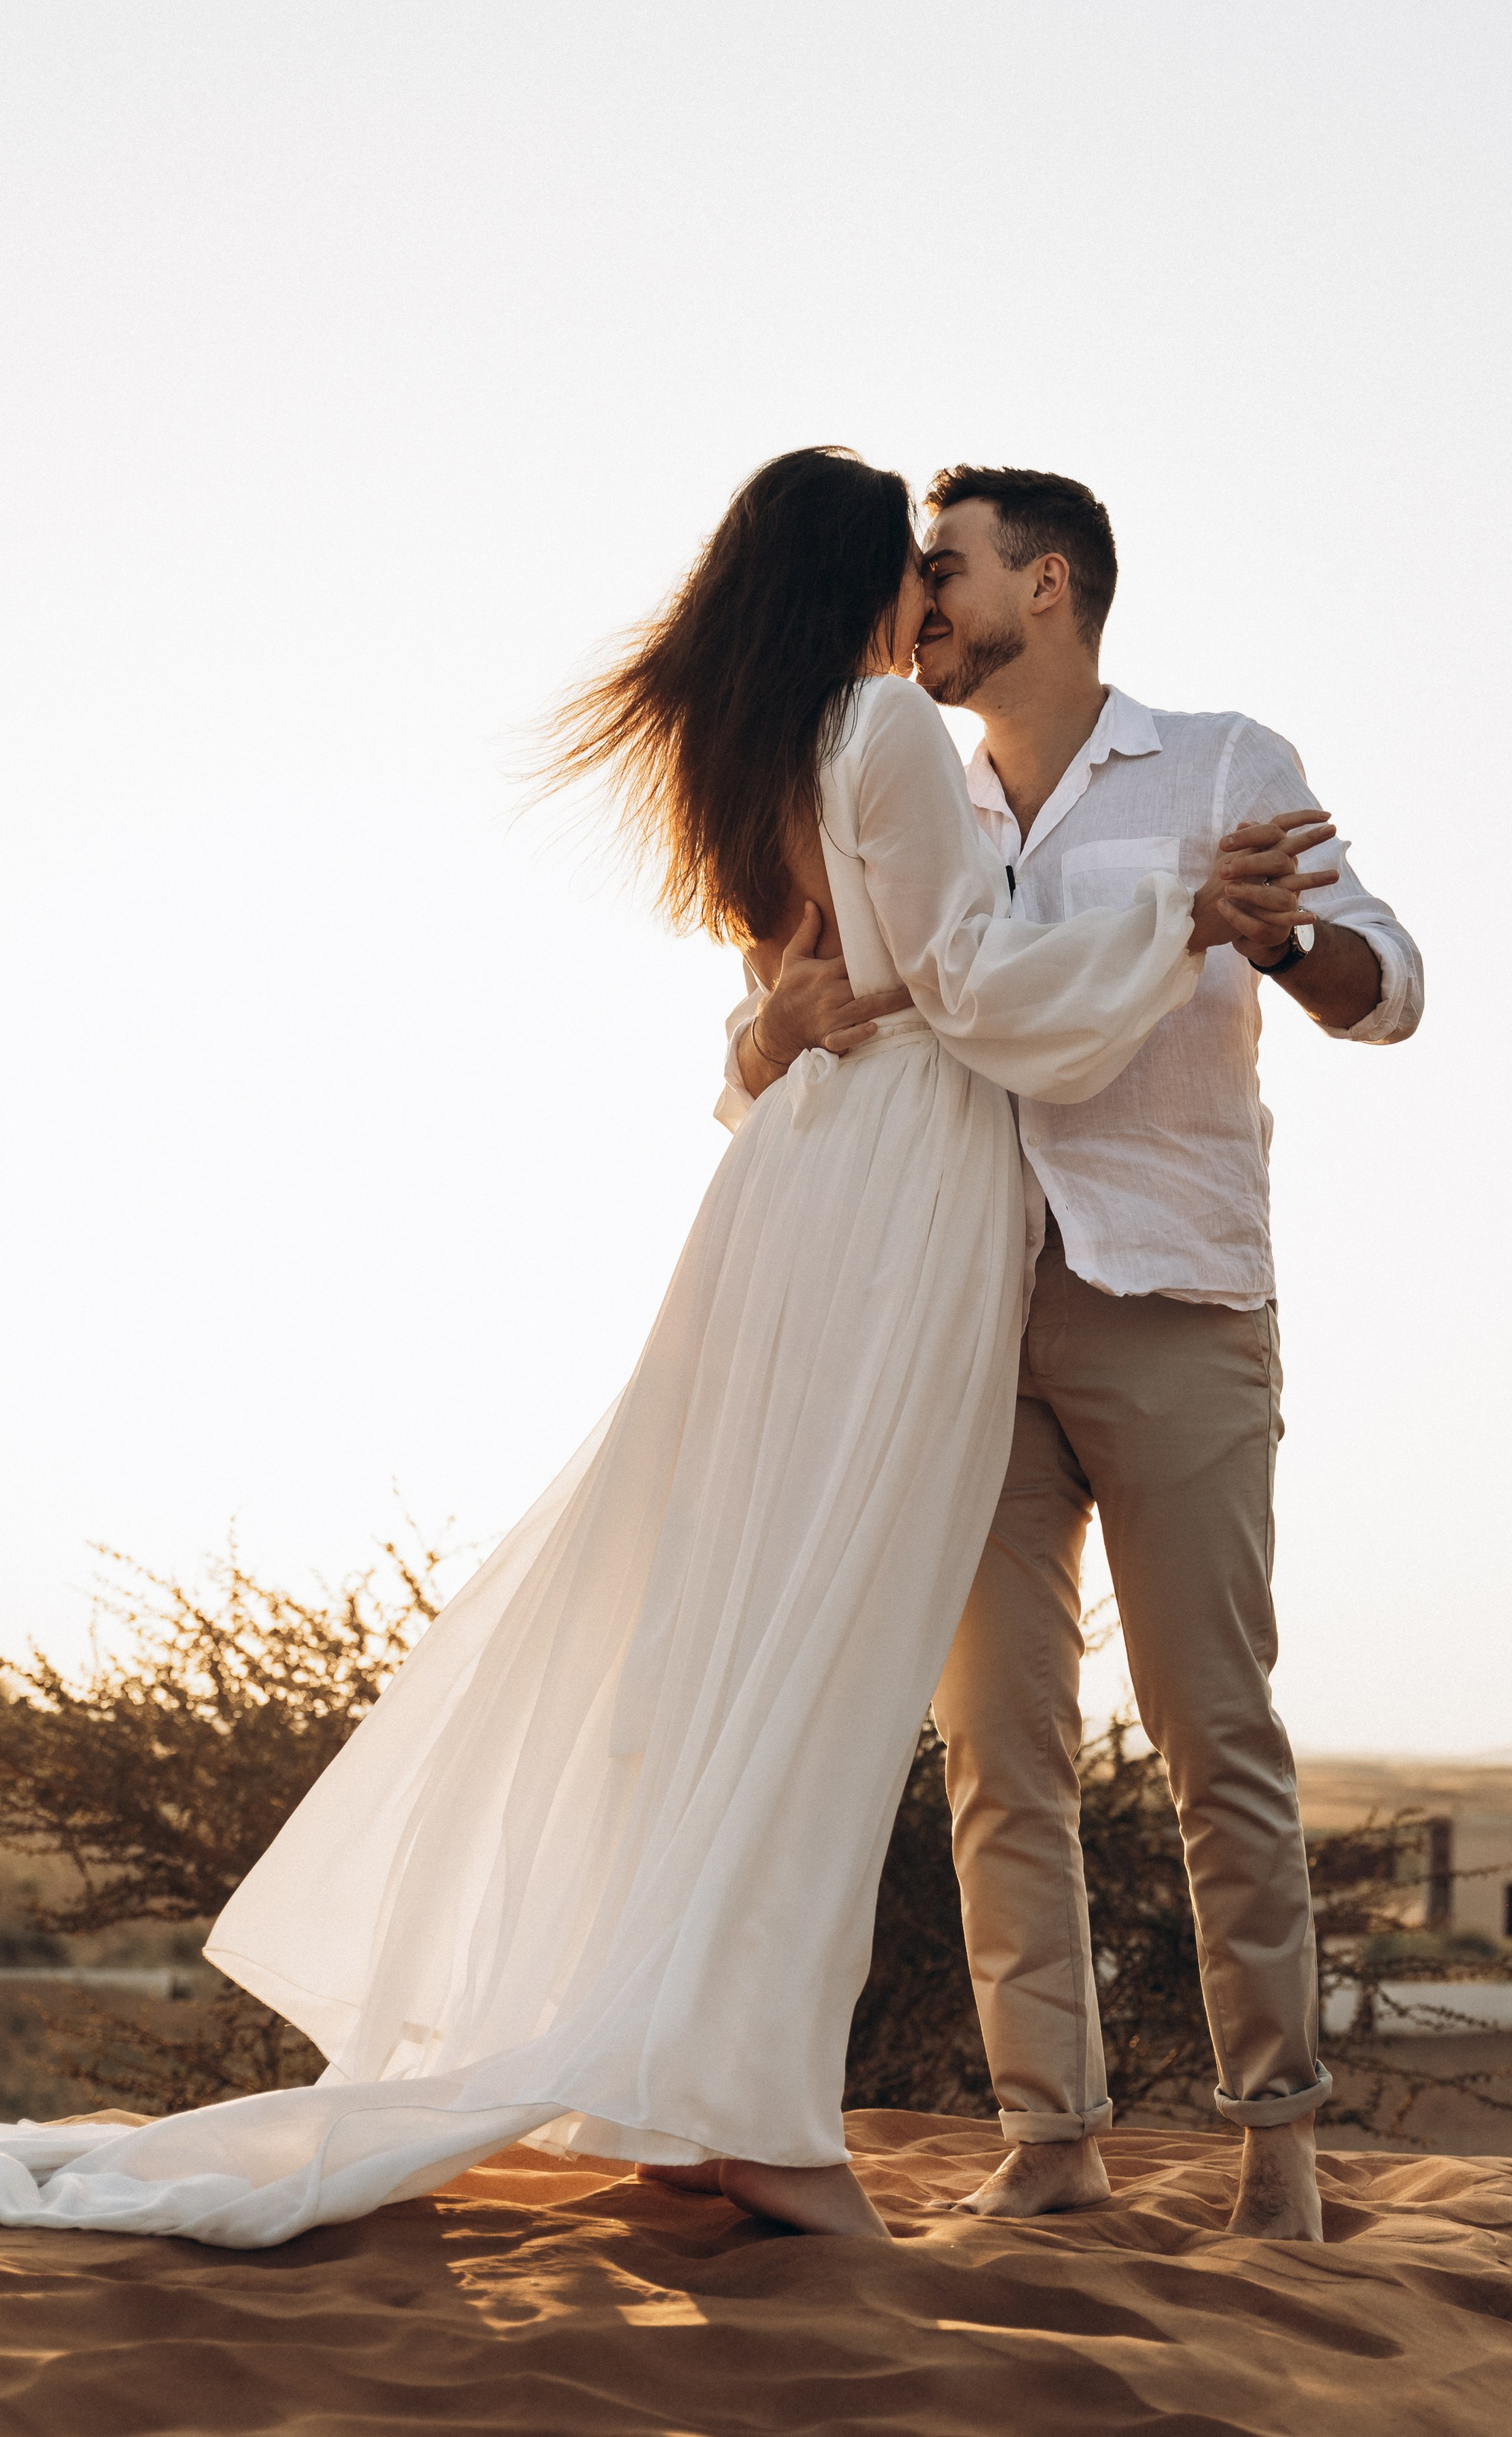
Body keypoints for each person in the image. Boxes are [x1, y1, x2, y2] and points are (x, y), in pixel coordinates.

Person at [0, 448, 1304, 2251]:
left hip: (804, 1200)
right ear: (861, 584)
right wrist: (1174, 924)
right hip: (895, 1201)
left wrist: (834, 1009)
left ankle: (695, 2091)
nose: (931, 597)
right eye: (909, 569)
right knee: (824, 1665)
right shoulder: (891, 739)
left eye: (955, 569)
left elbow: (824, 1001)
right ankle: (753, 2115)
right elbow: (990, 1003)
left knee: (745, 1634)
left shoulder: (779, 750)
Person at [730, 465, 1422, 2240]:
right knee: (996, 1748)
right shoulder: (902, 780)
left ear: (1046, 585)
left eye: (944, 570)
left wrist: (1282, 940)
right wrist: (761, 1032)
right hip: (958, 1312)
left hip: (1174, 1300)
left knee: (1216, 1734)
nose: (920, 598)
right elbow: (792, 1023)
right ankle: (1053, 2143)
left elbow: (1392, 980)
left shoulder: (1217, 763)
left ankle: (1277, 2147)